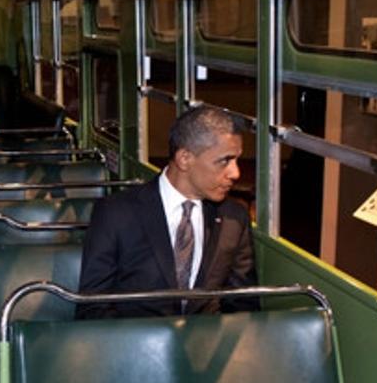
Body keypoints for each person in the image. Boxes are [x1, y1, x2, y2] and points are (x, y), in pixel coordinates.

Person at [76, 106, 258, 318]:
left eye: (236, 160)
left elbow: (243, 305)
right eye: (224, 161)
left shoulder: (234, 218)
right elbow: (92, 306)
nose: (235, 173)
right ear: (184, 159)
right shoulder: (116, 213)